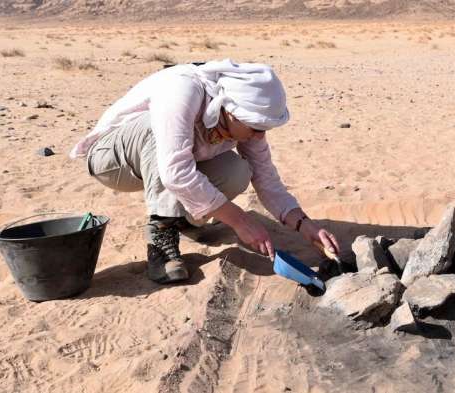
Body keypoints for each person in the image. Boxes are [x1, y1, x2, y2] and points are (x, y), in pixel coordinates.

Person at [69, 59, 340, 284]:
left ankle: (184, 221)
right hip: (113, 160)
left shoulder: (245, 124)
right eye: (255, 127)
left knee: (237, 169)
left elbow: (266, 179)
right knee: (161, 134)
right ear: (231, 111)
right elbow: (175, 171)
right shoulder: (183, 90)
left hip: (160, 164)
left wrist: (306, 225)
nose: (259, 135)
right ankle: (162, 235)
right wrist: (240, 221)